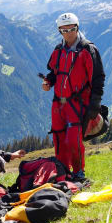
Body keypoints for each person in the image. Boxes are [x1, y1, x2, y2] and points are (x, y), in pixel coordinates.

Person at [42, 13, 105, 180]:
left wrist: (95, 105)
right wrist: (49, 81)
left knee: (73, 141)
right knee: (59, 139)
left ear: (77, 28)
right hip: (58, 104)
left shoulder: (88, 50)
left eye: (72, 29)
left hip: (77, 103)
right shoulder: (58, 50)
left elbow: (98, 79)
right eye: (64, 30)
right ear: (59, 31)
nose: (68, 33)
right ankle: (63, 172)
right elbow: (55, 73)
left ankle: (78, 172)